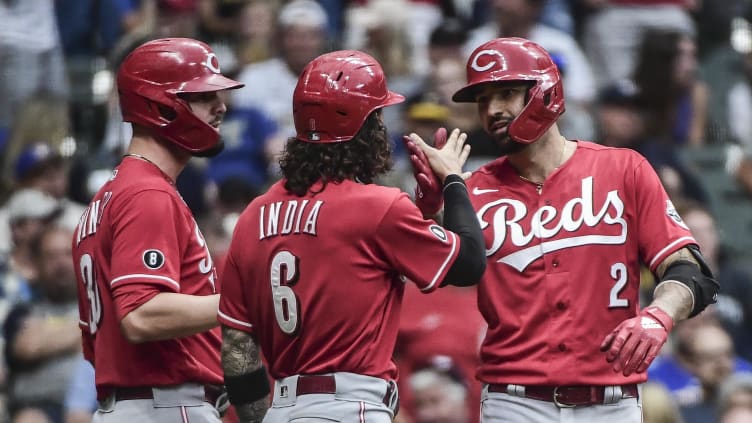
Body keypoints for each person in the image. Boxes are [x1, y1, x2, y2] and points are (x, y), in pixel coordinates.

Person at [404, 37, 719, 422]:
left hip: (612, 401)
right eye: (483, 100)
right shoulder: (470, 190)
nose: (492, 110)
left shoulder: (624, 169)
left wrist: (659, 314)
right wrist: (431, 210)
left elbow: (690, 269)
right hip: (514, 402)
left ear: (545, 93)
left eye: (506, 93)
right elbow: (429, 275)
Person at [217, 50, 487, 423]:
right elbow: (470, 264)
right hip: (351, 405)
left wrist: (260, 418)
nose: (382, 128)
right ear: (365, 129)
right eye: (377, 118)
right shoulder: (377, 206)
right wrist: (454, 179)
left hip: (283, 408)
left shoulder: (254, 214)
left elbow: (237, 350)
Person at [71, 38, 244, 423]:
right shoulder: (147, 193)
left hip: (132, 404)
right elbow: (142, 315)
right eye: (204, 96)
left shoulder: (107, 199)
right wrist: (246, 301)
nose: (221, 107)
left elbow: (95, 343)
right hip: (163, 406)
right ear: (160, 105)